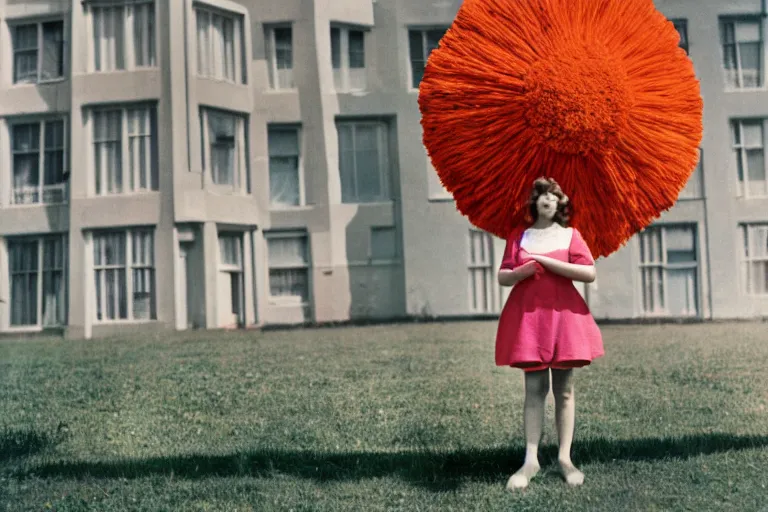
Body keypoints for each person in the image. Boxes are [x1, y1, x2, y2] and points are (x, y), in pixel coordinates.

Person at [496, 177, 604, 490]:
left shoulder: (570, 235)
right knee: (533, 387)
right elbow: (504, 275)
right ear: (534, 202)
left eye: (553, 195)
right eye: (541, 194)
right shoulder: (519, 235)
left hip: (564, 317)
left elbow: (589, 271)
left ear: (560, 204)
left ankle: (565, 458)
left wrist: (544, 260)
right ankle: (530, 459)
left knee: (565, 389)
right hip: (530, 317)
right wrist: (520, 272)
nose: (547, 199)